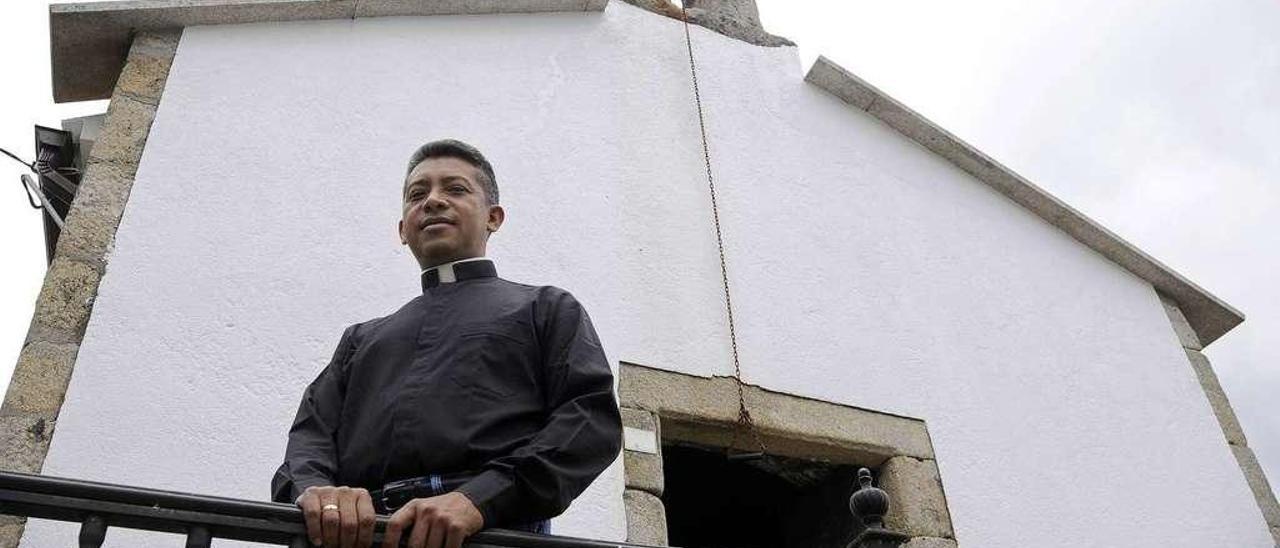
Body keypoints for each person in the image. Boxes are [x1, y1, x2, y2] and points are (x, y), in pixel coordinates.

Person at [270, 139, 623, 548]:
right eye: (417, 195)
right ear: (403, 229)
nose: (434, 201)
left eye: (455, 189)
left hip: (492, 532)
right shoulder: (360, 340)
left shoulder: (545, 307)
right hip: (364, 535)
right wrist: (321, 494)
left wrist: (479, 499)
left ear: (494, 217)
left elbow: (588, 422)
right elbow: (310, 439)